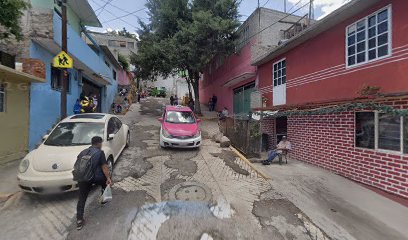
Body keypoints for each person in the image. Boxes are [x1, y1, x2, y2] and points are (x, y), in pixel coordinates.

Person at [75, 136, 112, 230]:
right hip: (94, 178)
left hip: (82, 178)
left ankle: (79, 220)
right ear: (99, 143)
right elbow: (104, 167)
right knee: (104, 181)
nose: (101, 145)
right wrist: (108, 178)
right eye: (101, 143)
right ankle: (104, 199)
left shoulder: (83, 152)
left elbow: (76, 165)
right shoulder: (100, 152)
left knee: (82, 197)